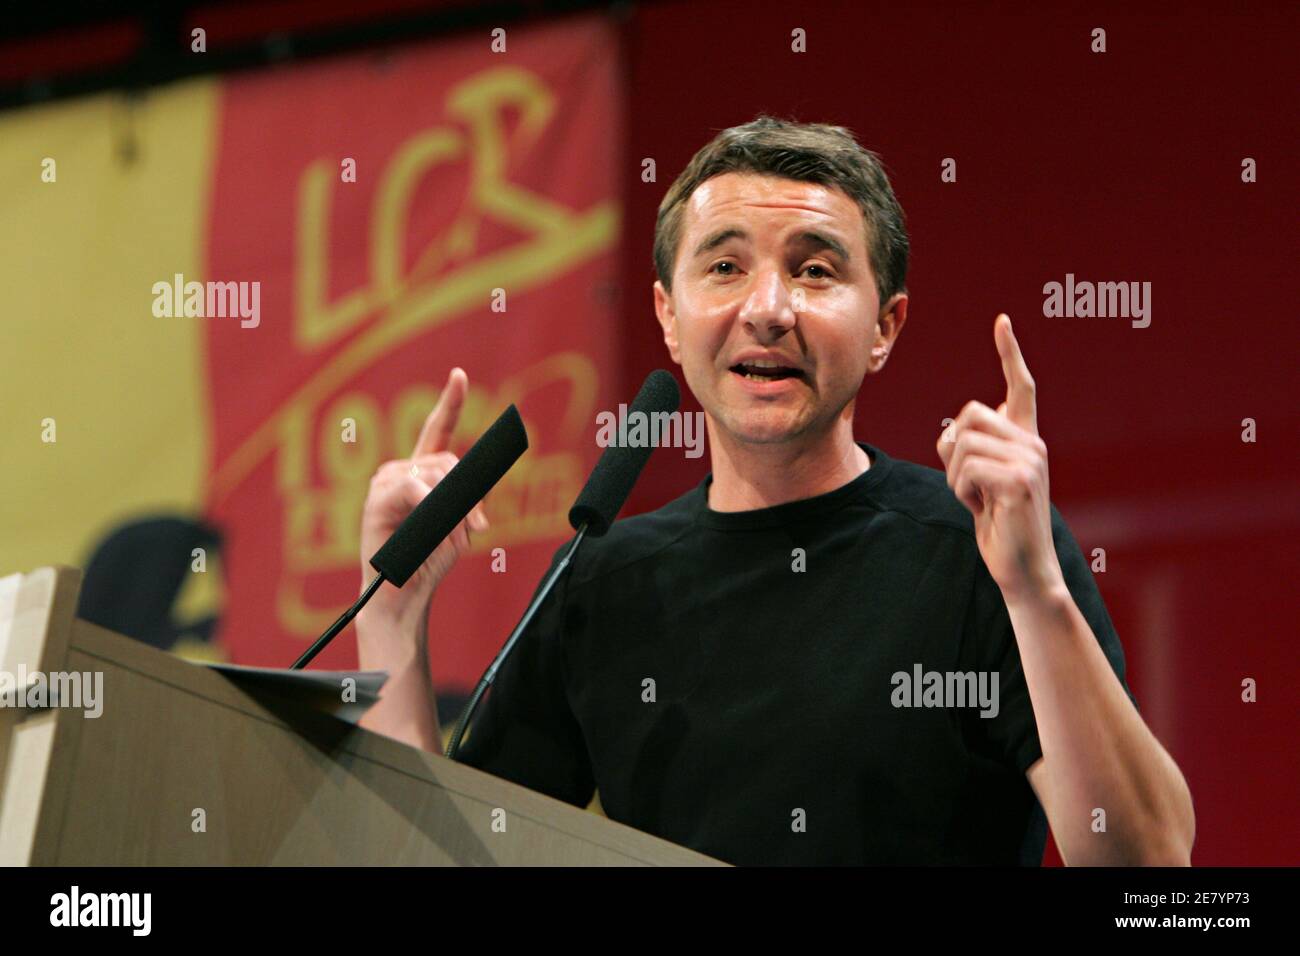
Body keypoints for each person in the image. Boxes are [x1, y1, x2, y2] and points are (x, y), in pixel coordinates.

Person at [354, 116, 1195, 865]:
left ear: (885, 328)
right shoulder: (602, 578)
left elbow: (1149, 867)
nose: (768, 308)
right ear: (669, 317)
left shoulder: (982, 550)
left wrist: (1036, 590)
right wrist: (389, 619)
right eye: (724, 266)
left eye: (816, 271)